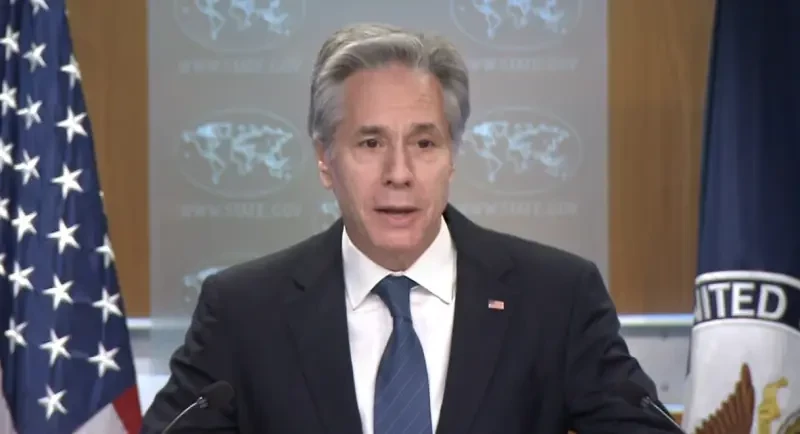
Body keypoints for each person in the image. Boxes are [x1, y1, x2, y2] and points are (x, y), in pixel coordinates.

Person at [141, 23, 677, 433]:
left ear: (452, 156)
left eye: (424, 143)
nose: (399, 173)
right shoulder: (243, 312)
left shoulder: (556, 299)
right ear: (325, 159)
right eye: (370, 143)